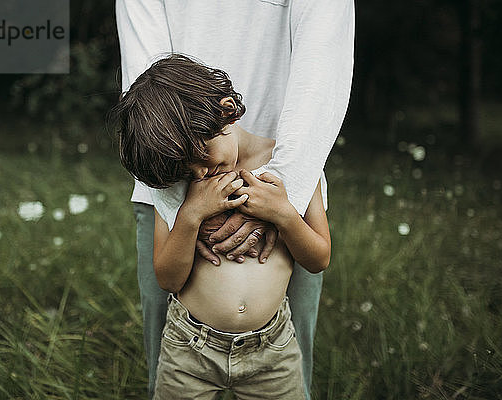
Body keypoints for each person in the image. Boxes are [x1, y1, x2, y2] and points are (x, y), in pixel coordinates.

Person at [115, 1, 354, 398]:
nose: (198, 175)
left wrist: (285, 212)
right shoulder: (182, 180)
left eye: (198, 160)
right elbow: (168, 279)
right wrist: (189, 215)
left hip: (272, 351)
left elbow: (318, 258)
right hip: (188, 350)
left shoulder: (297, 171)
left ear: (227, 113)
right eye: (188, 171)